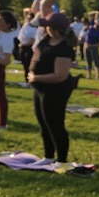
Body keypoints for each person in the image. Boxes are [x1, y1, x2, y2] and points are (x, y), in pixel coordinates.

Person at [27, 12, 76, 165]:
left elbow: (60, 75)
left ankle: (61, 160)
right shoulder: (47, 39)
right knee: (43, 123)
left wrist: (36, 78)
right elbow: (43, 10)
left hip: (55, 90)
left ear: (54, 29)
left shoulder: (64, 48)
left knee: (55, 124)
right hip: (40, 89)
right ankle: (48, 157)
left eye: (47, 26)